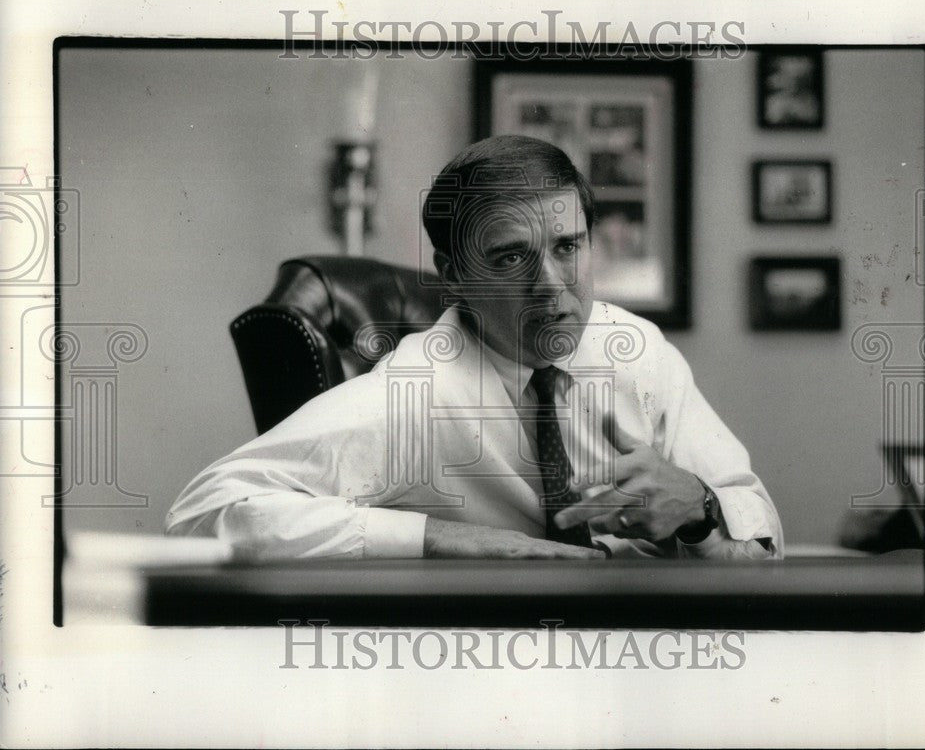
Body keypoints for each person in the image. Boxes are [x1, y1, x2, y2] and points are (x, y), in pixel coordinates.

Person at [166, 136, 783, 560]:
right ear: (453, 275)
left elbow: (760, 541)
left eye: (567, 247)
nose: (551, 286)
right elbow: (202, 513)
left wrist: (700, 509)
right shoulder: (414, 394)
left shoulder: (638, 354)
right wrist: (445, 538)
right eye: (512, 256)